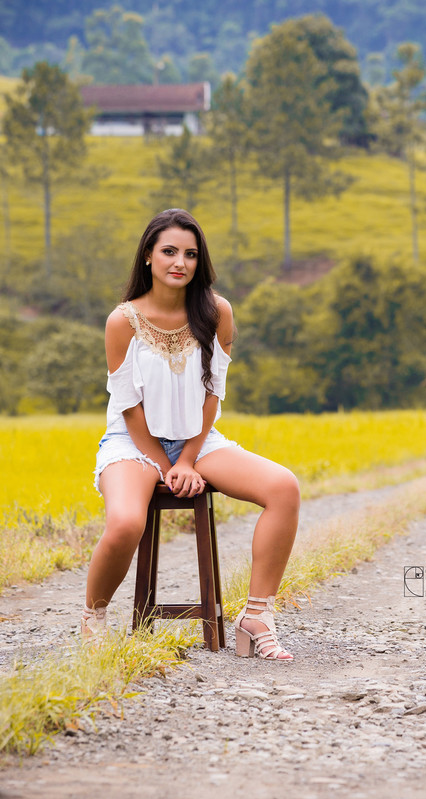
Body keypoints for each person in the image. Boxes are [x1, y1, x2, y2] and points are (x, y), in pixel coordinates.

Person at [84, 208, 300, 661]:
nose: (180, 262)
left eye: (190, 254)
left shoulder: (216, 312)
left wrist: (186, 459)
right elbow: (130, 408)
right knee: (126, 523)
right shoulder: (122, 321)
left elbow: (213, 395)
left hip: (198, 440)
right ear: (148, 255)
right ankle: (94, 617)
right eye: (169, 251)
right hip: (132, 442)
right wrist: (167, 466)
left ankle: (257, 616)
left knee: (284, 487)